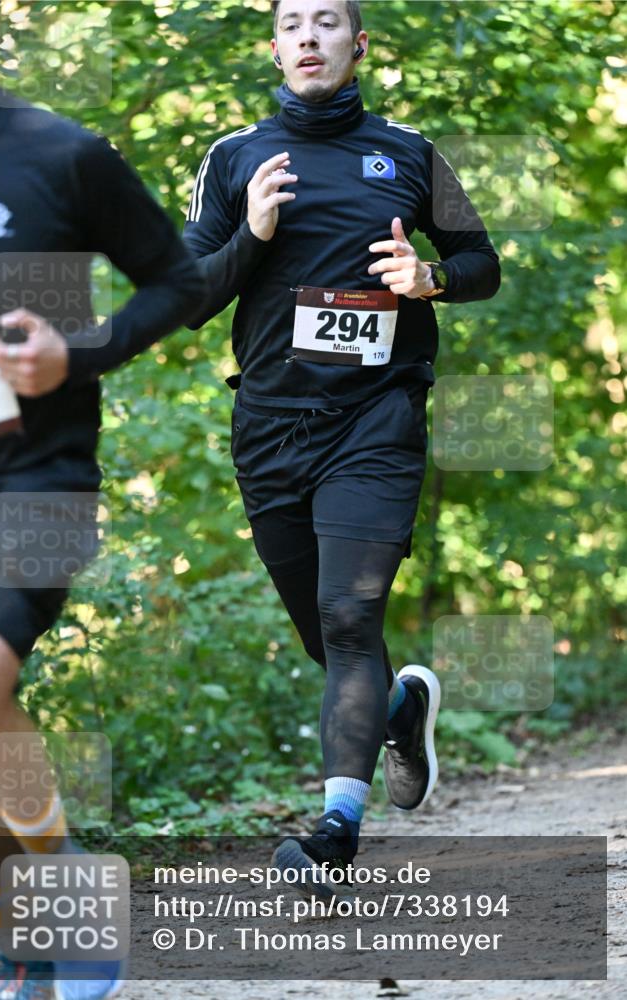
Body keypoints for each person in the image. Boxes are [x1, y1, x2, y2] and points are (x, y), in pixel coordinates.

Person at [0, 2, 296, 997]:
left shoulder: (59, 156)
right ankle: (19, 935)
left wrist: (78, 351)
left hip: (39, 477)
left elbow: (180, 281)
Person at [183, 0, 500, 893]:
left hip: (377, 418)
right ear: (275, 47)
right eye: (294, 23)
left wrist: (429, 278)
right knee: (324, 635)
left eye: (328, 21)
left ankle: (334, 832)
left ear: (357, 45)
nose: (310, 36)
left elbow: (482, 262)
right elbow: (187, 293)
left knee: (350, 616)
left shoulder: (407, 151)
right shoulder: (235, 158)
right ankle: (400, 707)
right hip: (271, 426)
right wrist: (250, 234)